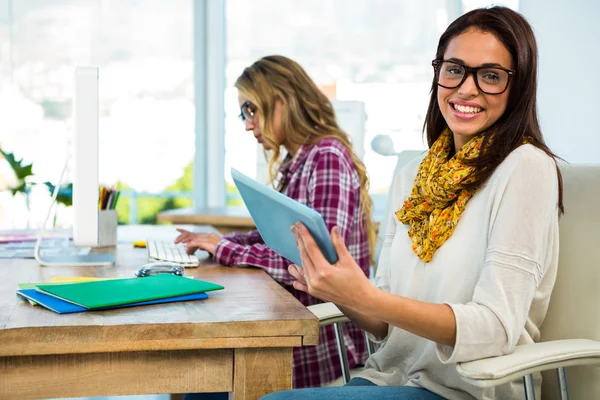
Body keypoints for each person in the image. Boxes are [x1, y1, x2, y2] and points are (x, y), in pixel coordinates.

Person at [266, 6, 564, 400]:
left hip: (465, 392)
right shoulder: (412, 175)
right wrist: (344, 293)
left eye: (490, 76)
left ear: (518, 86)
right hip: (390, 379)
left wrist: (371, 298)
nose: (467, 88)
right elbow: (387, 326)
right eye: (454, 69)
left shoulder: (525, 168)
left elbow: (495, 327)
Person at [175, 55, 375, 395]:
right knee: (198, 375)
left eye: (251, 109)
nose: (248, 124)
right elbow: (279, 238)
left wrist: (225, 248)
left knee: (200, 379)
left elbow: (317, 263)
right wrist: (218, 241)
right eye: (244, 113)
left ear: (281, 101)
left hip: (317, 341)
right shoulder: (297, 160)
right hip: (290, 323)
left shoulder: (326, 157)